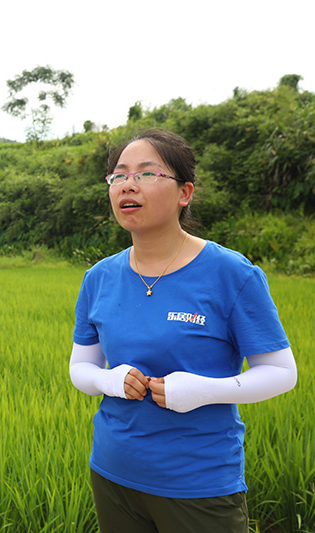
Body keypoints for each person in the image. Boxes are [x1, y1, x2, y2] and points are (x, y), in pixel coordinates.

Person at [69, 128, 298, 532]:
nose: (127, 185)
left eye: (146, 174)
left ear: (184, 193)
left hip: (198, 485)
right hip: (112, 473)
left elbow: (281, 372)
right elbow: (80, 367)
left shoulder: (231, 273)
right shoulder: (99, 277)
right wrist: (109, 380)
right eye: (118, 176)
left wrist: (204, 390)